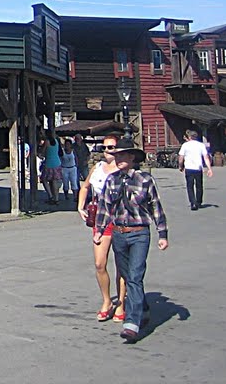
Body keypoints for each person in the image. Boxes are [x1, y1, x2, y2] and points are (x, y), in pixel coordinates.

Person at [93, 138, 169, 343]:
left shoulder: (144, 180)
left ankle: (132, 323)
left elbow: (156, 207)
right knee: (126, 274)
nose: (117, 159)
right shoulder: (112, 180)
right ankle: (142, 306)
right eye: (115, 155)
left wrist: (162, 234)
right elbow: (104, 208)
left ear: (132, 157)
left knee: (135, 275)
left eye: (122, 155)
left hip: (139, 233)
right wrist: (99, 230)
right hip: (119, 233)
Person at [78, 135, 126, 323]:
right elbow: (85, 186)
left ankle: (121, 302)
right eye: (105, 147)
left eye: (112, 147)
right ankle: (107, 301)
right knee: (100, 263)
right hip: (100, 218)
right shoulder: (97, 168)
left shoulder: (124, 170)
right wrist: (80, 206)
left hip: (121, 218)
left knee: (122, 264)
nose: (109, 151)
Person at [178, 130, 213, 210]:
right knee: (199, 185)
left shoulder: (185, 145)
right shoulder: (201, 145)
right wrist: (209, 168)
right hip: (198, 168)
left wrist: (181, 166)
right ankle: (199, 201)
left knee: (190, 186)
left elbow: (181, 157)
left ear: (189, 137)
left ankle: (193, 202)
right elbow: (206, 157)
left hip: (189, 168)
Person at [41, 133, 63, 205]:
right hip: (57, 163)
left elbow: (43, 152)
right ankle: (56, 198)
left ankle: (50, 196)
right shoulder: (56, 141)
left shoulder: (46, 142)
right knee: (54, 181)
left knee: (44, 179)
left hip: (49, 163)